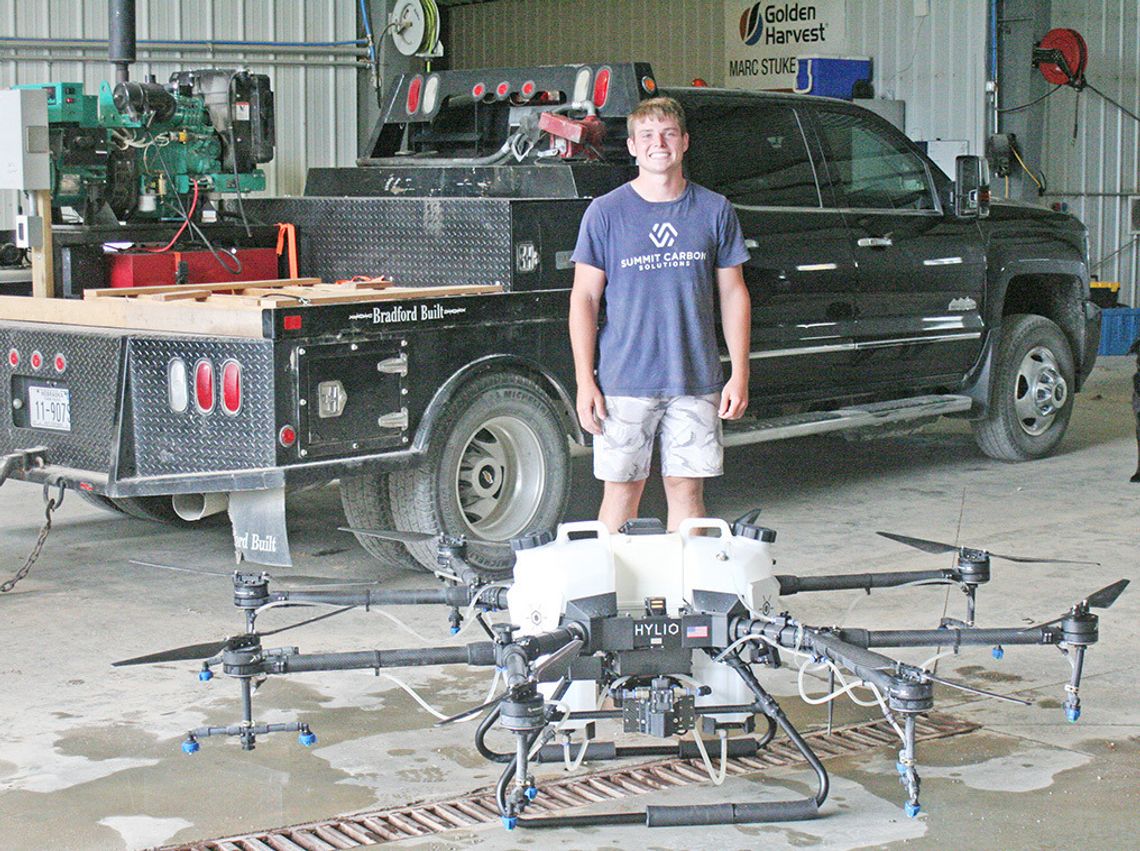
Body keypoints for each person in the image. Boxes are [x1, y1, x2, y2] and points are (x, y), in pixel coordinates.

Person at [568, 95, 751, 532]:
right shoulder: (606, 213)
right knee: (622, 491)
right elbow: (584, 300)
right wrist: (584, 381)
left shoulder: (714, 210)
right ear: (632, 146)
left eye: (668, 133)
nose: (658, 143)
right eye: (646, 135)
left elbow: (733, 293)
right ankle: (610, 593)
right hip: (624, 381)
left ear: (684, 142)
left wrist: (739, 373)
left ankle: (687, 596)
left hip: (694, 379)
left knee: (687, 490)